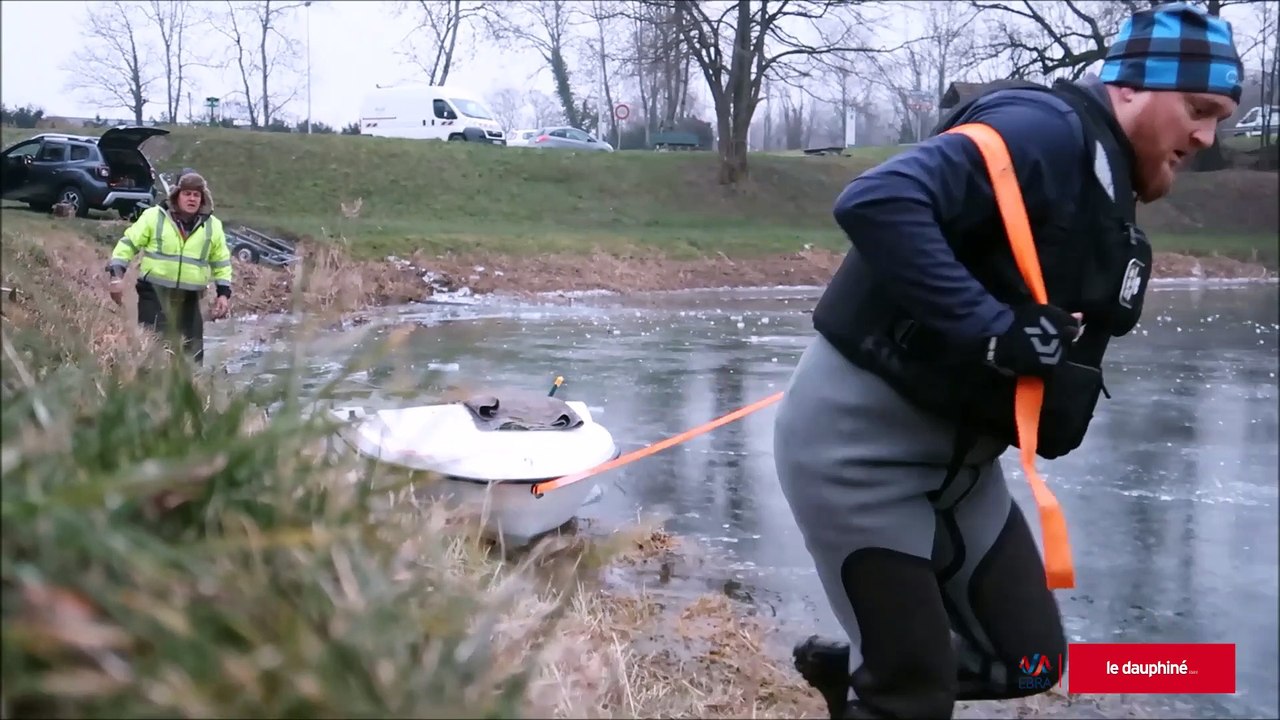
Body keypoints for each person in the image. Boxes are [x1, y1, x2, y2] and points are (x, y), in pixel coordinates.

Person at [773, 4, 1242, 719]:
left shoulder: (1102, 179)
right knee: (911, 697)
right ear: (1130, 87)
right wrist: (993, 329)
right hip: (857, 459)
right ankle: (887, 678)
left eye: (1220, 120)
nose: (1206, 137)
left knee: (1029, 664)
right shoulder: (1042, 131)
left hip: (961, 477)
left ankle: (854, 669)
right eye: (1198, 110)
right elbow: (878, 199)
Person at [106, 171, 233, 365]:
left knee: (193, 356)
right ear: (176, 195)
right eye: (187, 193)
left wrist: (223, 294)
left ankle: (190, 383)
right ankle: (147, 382)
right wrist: (116, 275)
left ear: (203, 198)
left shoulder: (213, 226)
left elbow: (221, 261)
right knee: (152, 350)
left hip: (190, 299)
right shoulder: (154, 217)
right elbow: (128, 244)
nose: (192, 199)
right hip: (153, 294)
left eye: (196, 195)